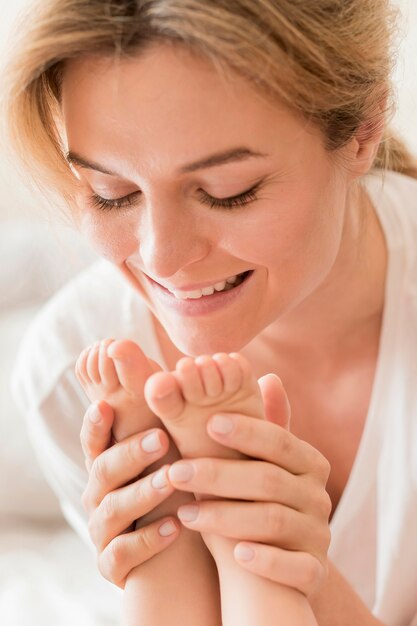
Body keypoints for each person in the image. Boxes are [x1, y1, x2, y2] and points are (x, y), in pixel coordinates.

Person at [4, 0, 417, 624]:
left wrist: (300, 573)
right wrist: (165, 559)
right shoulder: (70, 370)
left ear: (362, 129)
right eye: (111, 195)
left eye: (228, 193)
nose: (162, 257)